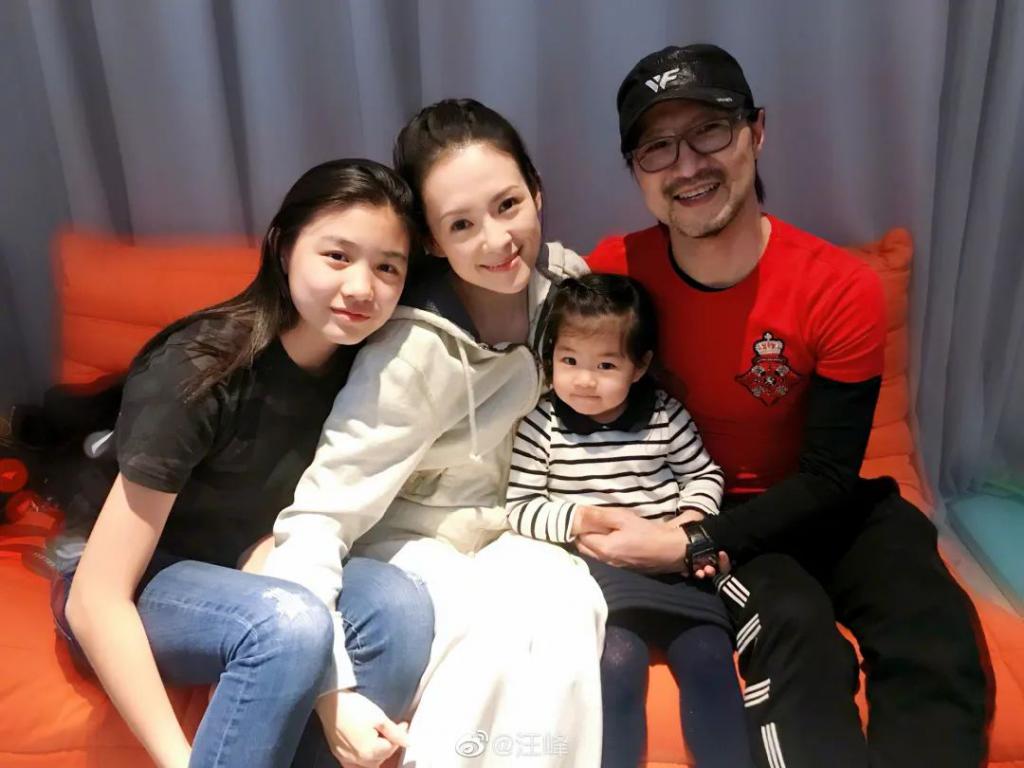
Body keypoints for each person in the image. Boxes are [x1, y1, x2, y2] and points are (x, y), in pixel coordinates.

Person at [584, 43, 988, 767]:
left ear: (757, 131)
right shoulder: (616, 273)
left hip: (825, 498)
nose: (687, 165)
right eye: (657, 147)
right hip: (715, 508)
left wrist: (691, 543)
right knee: (797, 632)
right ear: (636, 170)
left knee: (934, 627)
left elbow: (830, 474)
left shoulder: (840, 287)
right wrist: (691, 536)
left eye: (710, 130)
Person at [262, 99, 607, 767]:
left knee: (570, 602)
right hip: (409, 542)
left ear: (537, 192)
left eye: (508, 205)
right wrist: (329, 683)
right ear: (432, 241)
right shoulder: (409, 353)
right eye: (462, 224)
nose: (497, 240)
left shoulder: (567, 291)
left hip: (511, 528)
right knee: (487, 631)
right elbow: (320, 516)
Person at [56, 159, 434, 768]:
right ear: (284, 250)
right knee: (287, 624)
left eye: (387, 267)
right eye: (337, 256)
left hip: (256, 568)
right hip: (139, 582)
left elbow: (282, 536)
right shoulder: (199, 369)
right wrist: (182, 760)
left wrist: (332, 695)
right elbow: (96, 598)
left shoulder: (371, 372)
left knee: (398, 603)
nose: (362, 287)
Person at [506, 272, 755, 768]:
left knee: (709, 656)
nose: (584, 380)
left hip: (671, 568)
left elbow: (704, 475)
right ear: (549, 357)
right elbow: (521, 507)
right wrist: (582, 519)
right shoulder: (541, 423)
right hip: (599, 579)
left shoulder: (662, 415)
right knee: (617, 662)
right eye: (569, 361)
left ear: (639, 366)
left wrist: (687, 523)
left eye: (605, 365)